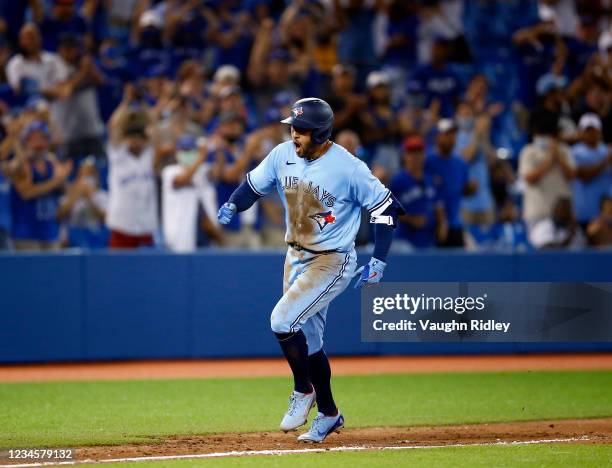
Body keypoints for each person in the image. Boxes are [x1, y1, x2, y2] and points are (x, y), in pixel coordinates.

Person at [217, 98, 403, 443]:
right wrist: (232, 203)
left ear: (320, 134)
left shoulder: (348, 167)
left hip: (332, 260)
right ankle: (330, 414)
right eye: (292, 127)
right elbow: (253, 187)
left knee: (282, 321)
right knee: (312, 343)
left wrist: (379, 259)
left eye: (300, 130)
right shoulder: (282, 154)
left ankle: (304, 390)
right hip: (295, 256)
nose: (293, 134)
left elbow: (386, 208)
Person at [106, 88, 159, 249]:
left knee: (148, 272)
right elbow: (113, 126)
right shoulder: (118, 156)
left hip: (145, 226)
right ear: (126, 139)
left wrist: (143, 105)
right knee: (117, 271)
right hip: (122, 225)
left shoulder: (148, 156)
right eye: (132, 137)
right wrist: (126, 102)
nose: (135, 141)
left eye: (139, 137)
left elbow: (154, 127)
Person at [9, 120, 72, 250]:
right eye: (35, 138)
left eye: (43, 138)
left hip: (50, 233)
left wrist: (62, 181)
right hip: (27, 234)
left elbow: (64, 189)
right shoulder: (21, 164)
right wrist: (55, 182)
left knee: (53, 270)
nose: (40, 143)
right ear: (27, 141)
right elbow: (26, 193)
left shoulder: (51, 163)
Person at [161, 135, 219, 252]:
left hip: (203, 232)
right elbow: (181, 180)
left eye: (190, 150)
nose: (187, 154)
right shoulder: (170, 171)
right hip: (179, 235)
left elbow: (217, 173)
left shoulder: (203, 170)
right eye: (184, 150)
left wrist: (219, 149)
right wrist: (201, 157)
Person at [518, 112, 575, 232]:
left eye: (544, 134)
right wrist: (550, 160)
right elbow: (529, 179)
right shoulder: (529, 152)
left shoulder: (564, 150)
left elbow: (572, 176)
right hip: (538, 213)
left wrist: (558, 157)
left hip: (563, 214)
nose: (541, 137)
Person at [425, 119, 477, 247]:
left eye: (453, 135)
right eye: (447, 135)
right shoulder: (427, 161)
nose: (451, 139)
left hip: (455, 224)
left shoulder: (460, 163)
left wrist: (470, 188)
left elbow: (462, 190)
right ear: (437, 136)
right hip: (431, 225)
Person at [391, 136, 446, 249]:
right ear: (405, 156)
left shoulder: (431, 180)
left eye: (418, 152)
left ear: (423, 155)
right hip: (404, 240)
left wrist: (442, 225)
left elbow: (438, 206)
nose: (415, 157)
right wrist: (411, 219)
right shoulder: (398, 180)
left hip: (428, 239)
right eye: (411, 152)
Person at [56, 157, 108, 248]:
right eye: (83, 174)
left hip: (95, 240)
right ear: (78, 176)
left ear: (96, 175)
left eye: (90, 174)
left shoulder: (103, 196)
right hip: (71, 241)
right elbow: (58, 217)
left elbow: (105, 220)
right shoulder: (69, 195)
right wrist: (75, 196)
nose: (86, 177)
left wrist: (89, 199)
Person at [571, 113, 612, 229]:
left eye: (593, 130)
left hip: (606, 214)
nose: (591, 134)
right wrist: (605, 162)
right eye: (587, 131)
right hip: (584, 212)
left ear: (599, 131)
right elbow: (584, 176)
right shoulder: (575, 152)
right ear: (581, 132)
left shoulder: (606, 150)